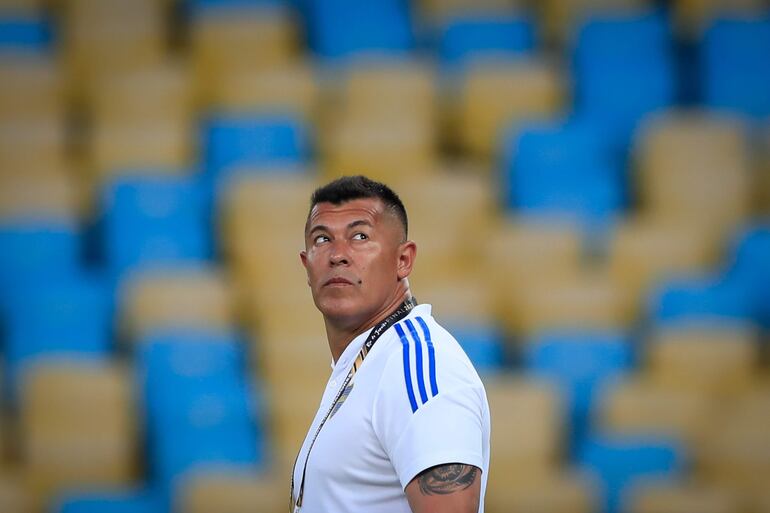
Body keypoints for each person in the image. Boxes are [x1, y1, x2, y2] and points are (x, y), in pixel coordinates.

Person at [291, 175, 491, 513]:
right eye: (322, 238)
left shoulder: (418, 364)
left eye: (360, 236)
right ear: (307, 267)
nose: (338, 254)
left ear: (404, 260)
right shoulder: (367, 363)